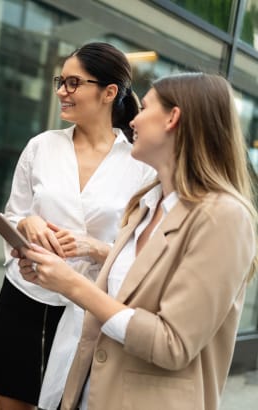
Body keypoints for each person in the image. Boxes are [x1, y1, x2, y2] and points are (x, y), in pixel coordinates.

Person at [16, 72, 257, 410]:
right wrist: (47, 271)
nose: (134, 119)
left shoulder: (224, 217)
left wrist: (72, 284)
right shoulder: (145, 202)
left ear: (173, 118)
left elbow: (171, 344)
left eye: (144, 108)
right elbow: (116, 302)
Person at [0, 42, 156, 410]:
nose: (62, 92)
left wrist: (92, 247)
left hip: (89, 308)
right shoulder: (41, 146)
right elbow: (15, 213)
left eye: (73, 83)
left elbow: (146, 253)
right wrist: (28, 223)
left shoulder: (140, 164)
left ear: (108, 92)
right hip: (23, 298)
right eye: (60, 82)